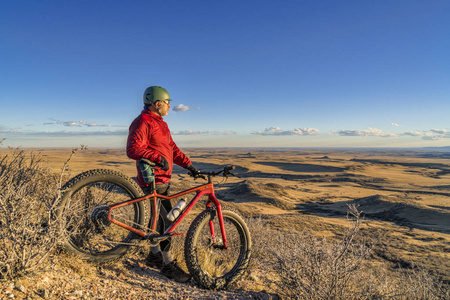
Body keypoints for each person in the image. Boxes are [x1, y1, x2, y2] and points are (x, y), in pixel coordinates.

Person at [127, 86, 199, 283]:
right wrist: (157, 158)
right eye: (168, 103)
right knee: (168, 222)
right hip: (152, 180)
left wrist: (189, 165)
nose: (169, 106)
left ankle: (153, 255)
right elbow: (133, 149)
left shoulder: (162, 125)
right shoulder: (143, 121)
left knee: (159, 220)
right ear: (157, 103)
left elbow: (172, 149)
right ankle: (167, 265)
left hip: (163, 181)